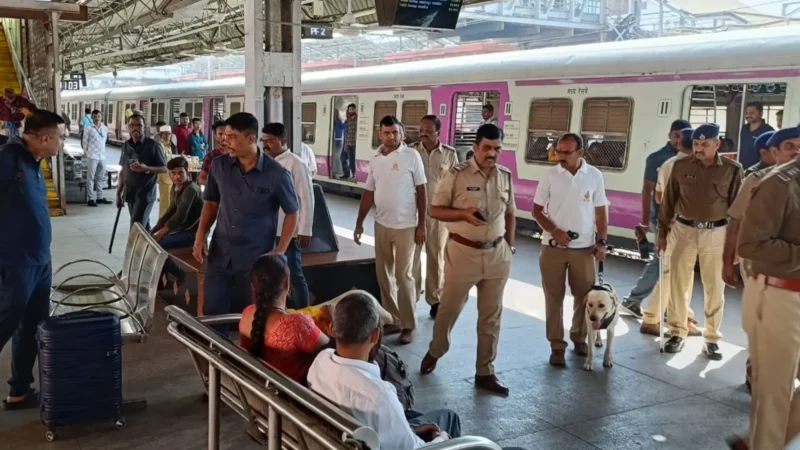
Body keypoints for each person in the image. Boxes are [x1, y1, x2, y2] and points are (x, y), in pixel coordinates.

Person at [420, 123, 515, 395]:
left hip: (497, 255)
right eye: (486, 148)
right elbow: (435, 210)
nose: (492, 154)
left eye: (497, 149)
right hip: (463, 253)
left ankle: (485, 371)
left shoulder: (505, 176)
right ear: (475, 147)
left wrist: (510, 246)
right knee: (449, 309)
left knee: (491, 317)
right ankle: (436, 351)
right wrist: (463, 215)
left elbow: (510, 212)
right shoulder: (456, 175)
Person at [307, 292, 460, 449]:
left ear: (332, 329)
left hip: (341, 440)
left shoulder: (320, 362)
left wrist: (410, 430)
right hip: (372, 441)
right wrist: (442, 439)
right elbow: (413, 448)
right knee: (449, 418)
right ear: (375, 336)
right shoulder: (379, 396)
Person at [192, 112, 299, 323]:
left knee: (249, 319)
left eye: (232, 137)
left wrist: (280, 251)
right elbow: (211, 203)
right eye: (225, 136)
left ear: (250, 139)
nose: (225, 141)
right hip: (220, 255)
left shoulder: (276, 174)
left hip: (254, 261)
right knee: (213, 314)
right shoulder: (220, 166)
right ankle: (216, 353)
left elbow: (292, 213)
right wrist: (200, 234)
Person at [658, 123, 743, 359]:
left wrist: (736, 245)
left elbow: (738, 210)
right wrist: (662, 233)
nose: (699, 148)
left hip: (717, 233)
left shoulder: (732, 169)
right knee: (678, 282)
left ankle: (712, 338)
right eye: (696, 144)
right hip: (683, 229)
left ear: (717, 144)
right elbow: (668, 202)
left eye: (705, 144)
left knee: (715, 286)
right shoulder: (680, 166)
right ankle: (677, 331)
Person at [724, 128, 799, 394]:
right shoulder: (757, 179)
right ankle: (755, 373)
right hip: (761, 266)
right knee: (762, 326)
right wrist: (726, 260)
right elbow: (736, 221)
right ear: (774, 152)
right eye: (790, 146)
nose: (797, 151)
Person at [735, 152, 800, 450]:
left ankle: (758, 443)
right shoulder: (781, 183)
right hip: (780, 298)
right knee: (775, 397)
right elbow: (751, 244)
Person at [0, 110, 64, 410]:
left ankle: (20, 391)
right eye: (60, 138)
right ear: (45, 138)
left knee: (32, 327)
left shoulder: (35, 162)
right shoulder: (7, 160)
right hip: (15, 263)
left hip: (39, 262)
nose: (61, 144)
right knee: (5, 322)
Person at [532, 132, 608, 367]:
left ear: (580, 152)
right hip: (553, 247)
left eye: (566, 152)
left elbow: (600, 212)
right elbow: (536, 210)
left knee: (584, 297)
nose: (561, 156)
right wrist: (554, 231)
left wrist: (602, 242)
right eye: (558, 151)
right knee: (553, 297)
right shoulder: (550, 175)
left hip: (584, 248)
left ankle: (579, 337)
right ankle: (556, 345)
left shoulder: (594, 176)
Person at [354, 115, 427, 345]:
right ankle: (394, 318)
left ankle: (409, 324)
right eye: (386, 132)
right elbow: (368, 192)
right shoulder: (375, 159)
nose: (390, 136)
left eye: (395, 132)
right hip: (382, 223)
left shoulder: (411, 156)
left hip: (406, 226)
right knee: (383, 273)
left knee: (403, 276)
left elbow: (422, 191)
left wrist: (422, 224)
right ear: (380, 134)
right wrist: (359, 222)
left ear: (402, 134)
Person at [621, 119, 692, 318]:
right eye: (676, 134)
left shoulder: (688, 157)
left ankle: (668, 307)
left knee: (671, 260)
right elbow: (647, 190)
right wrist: (644, 221)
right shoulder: (658, 158)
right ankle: (634, 300)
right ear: (669, 135)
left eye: (683, 135)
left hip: (678, 217)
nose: (679, 139)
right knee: (662, 258)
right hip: (661, 216)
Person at [639, 127, 699, 337]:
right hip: (681, 227)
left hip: (671, 224)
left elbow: (658, 197)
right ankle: (654, 317)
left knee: (679, 273)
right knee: (675, 274)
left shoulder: (668, 163)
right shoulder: (685, 165)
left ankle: (680, 317)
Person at [239, 255, 329, 383]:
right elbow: (330, 351)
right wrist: (332, 322)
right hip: (289, 398)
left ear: (253, 286)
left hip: (253, 391)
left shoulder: (247, 313)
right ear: (287, 282)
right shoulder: (296, 323)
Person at [410, 115, 459, 318]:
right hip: (412, 213)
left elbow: (455, 184)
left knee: (436, 258)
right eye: (421, 129)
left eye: (428, 130)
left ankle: (435, 299)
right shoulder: (411, 151)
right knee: (411, 258)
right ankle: (411, 298)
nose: (424, 133)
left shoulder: (449, 154)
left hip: (439, 214)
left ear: (438, 131)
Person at [262, 122, 315, 309]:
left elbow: (306, 196)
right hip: (269, 228)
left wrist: (305, 229)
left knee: (292, 272)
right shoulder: (266, 161)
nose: (265, 145)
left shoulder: (296, 163)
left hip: (289, 230)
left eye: (270, 141)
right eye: (263, 140)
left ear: (283, 141)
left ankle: (303, 313)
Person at [116, 114, 167, 230]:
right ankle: (150, 247)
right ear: (128, 127)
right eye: (132, 125)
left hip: (145, 194)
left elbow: (164, 168)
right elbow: (123, 171)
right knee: (143, 226)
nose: (136, 128)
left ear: (144, 127)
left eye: (139, 125)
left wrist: (147, 168)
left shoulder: (153, 146)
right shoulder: (126, 146)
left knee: (136, 226)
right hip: (130, 193)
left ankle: (134, 248)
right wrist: (119, 192)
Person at [151, 157, 203, 250]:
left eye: (180, 173)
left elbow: (179, 216)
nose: (177, 177)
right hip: (180, 229)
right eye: (173, 173)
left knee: (158, 244)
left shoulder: (191, 189)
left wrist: (159, 234)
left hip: (193, 233)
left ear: (187, 172)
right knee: (152, 239)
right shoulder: (175, 187)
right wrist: (153, 231)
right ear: (169, 174)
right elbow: (170, 212)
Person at [81, 109, 112, 207]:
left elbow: (105, 141)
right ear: (92, 118)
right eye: (94, 117)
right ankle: (90, 199)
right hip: (92, 156)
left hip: (102, 156)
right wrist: (86, 152)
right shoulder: (88, 128)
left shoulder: (105, 128)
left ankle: (100, 197)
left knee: (100, 177)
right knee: (90, 178)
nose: (97, 118)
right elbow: (84, 142)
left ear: (101, 117)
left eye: (98, 116)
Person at [738, 101, 774, 170]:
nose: (748, 115)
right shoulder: (743, 129)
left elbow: (772, 152)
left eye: (752, 113)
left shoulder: (768, 130)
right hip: (742, 168)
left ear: (761, 113)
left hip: (760, 170)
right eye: (747, 113)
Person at [198, 120, 228, 186]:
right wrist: (216, 186)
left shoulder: (237, 154)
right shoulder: (211, 156)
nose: (224, 137)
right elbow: (201, 178)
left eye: (226, 134)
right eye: (220, 134)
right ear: (216, 137)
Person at [155, 122, 174, 217]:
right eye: (165, 133)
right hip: (164, 178)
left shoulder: (168, 145)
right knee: (165, 204)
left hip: (170, 177)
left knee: (169, 202)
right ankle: (162, 223)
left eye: (169, 133)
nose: (167, 136)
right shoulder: (160, 146)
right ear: (161, 135)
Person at [341, 103, 357, 180]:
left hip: (353, 143)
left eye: (352, 109)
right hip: (347, 143)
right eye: (350, 110)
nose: (351, 111)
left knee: (352, 160)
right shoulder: (347, 120)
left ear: (355, 109)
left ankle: (353, 175)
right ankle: (346, 173)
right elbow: (345, 133)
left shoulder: (358, 119)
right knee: (343, 158)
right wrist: (344, 144)